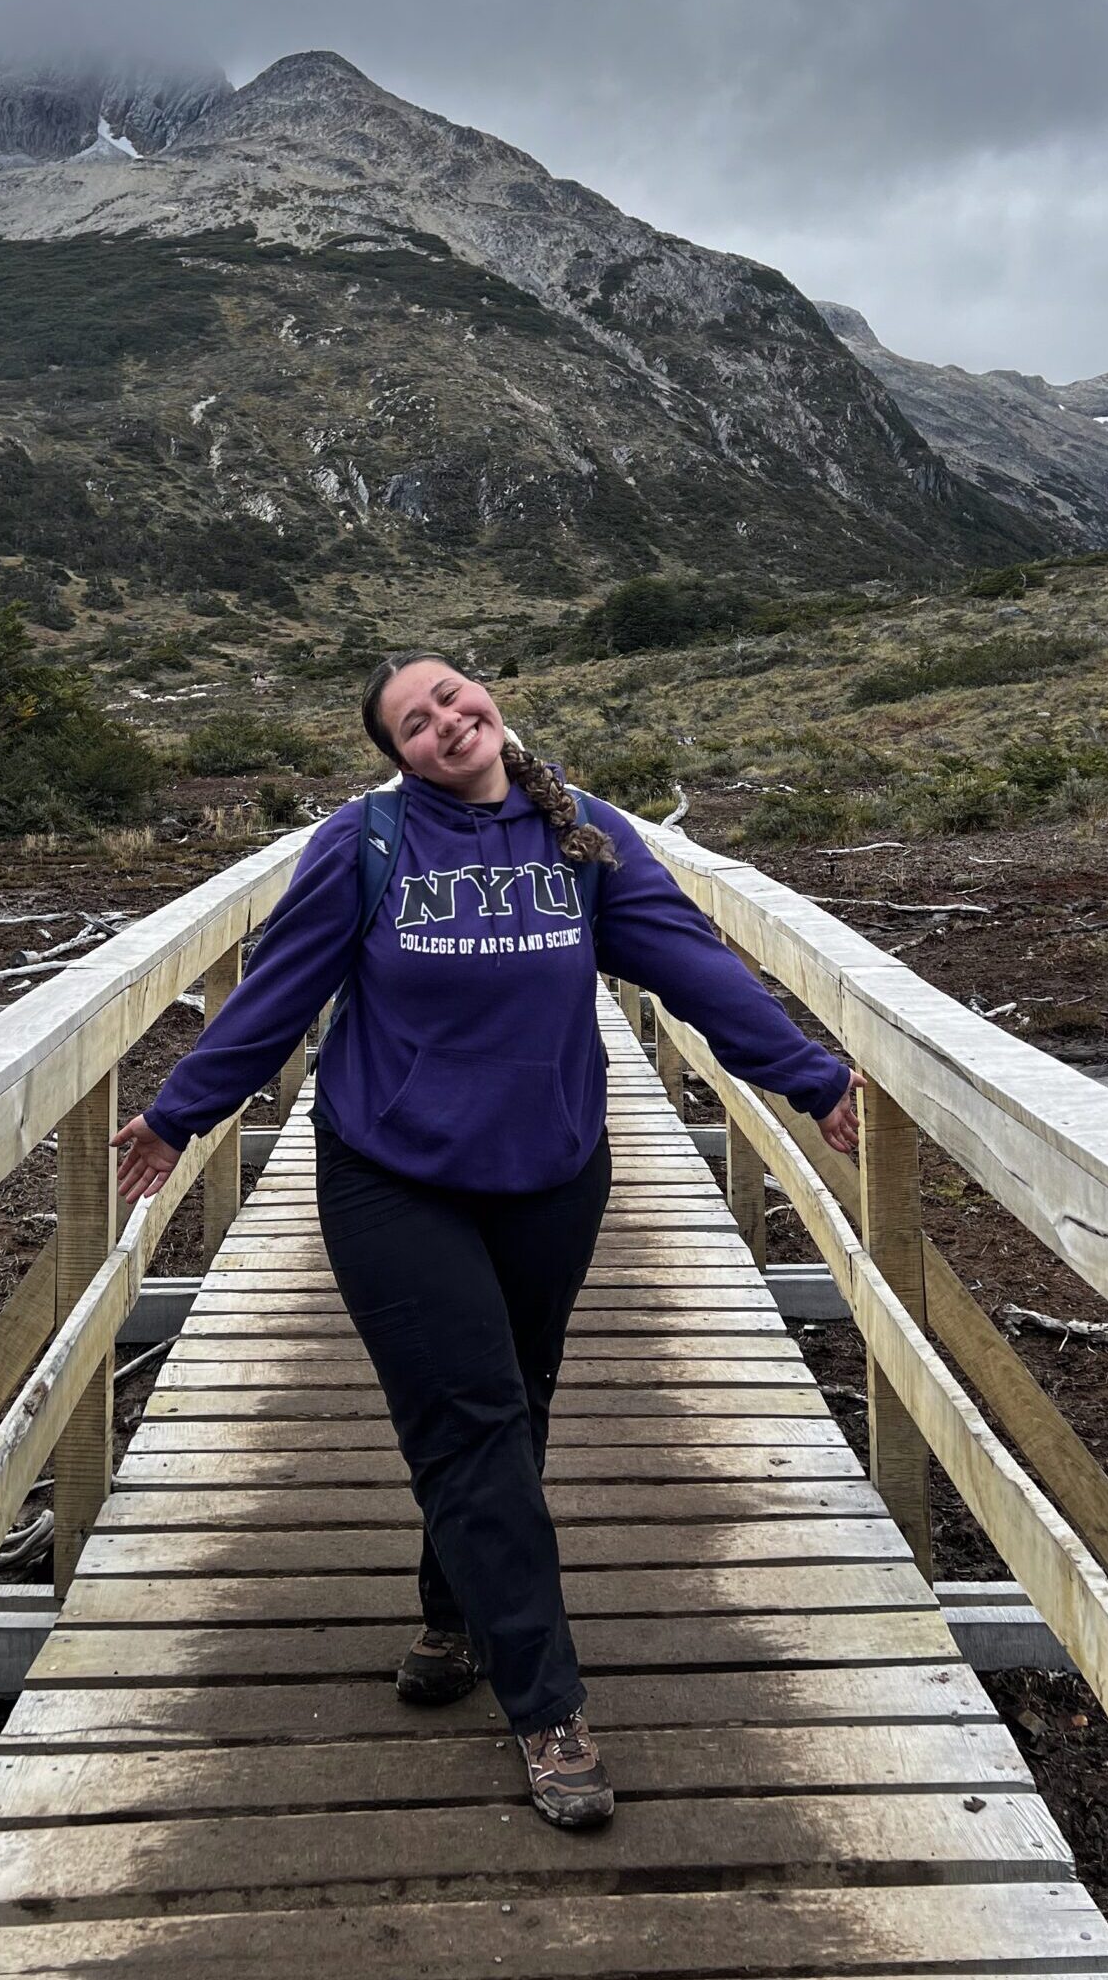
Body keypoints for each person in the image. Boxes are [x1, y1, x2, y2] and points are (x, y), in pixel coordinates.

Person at [113, 653, 862, 1829]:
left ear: (488, 700)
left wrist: (810, 1076)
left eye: (455, 698)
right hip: (390, 1174)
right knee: (469, 1413)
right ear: (399, 755)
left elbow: (691, 966)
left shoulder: (585, 836)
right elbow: (273, 998)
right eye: (417, 722)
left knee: (512, 1399)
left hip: (550, 1171)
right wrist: (178, 1111)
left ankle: (455, 1612)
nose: (449, 723)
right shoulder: (363, 846)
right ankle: (547, 1704)